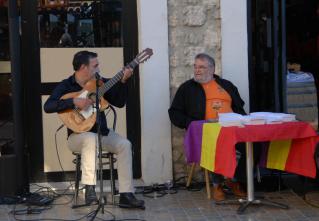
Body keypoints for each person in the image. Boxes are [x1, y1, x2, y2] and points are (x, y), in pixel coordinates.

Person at [44, 51, 144, 208]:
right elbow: (48, 106)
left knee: (125, 144)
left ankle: (126, 194)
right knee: (90, 139)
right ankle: (90, 189)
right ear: (84, 67)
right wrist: (74, 102)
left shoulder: (100, 83)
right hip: (77, 137)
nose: (99, 68)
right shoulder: (66, 85)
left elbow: (119, 102)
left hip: (102, 133)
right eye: (95, 65)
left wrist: (123, 81)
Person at [168, 53, 246, 201]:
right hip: (205, 132)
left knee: (252, 146)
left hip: (232, 129)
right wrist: (192, 123)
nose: (197, 70)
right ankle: (217, 184)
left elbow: (239, 108)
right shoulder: (187, 88)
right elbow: (174, 113)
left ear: (212, 69)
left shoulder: (227, 85)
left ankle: (235, 179)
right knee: (215, 143)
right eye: (195, 66)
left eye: (202, 67)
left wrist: (241, 121)